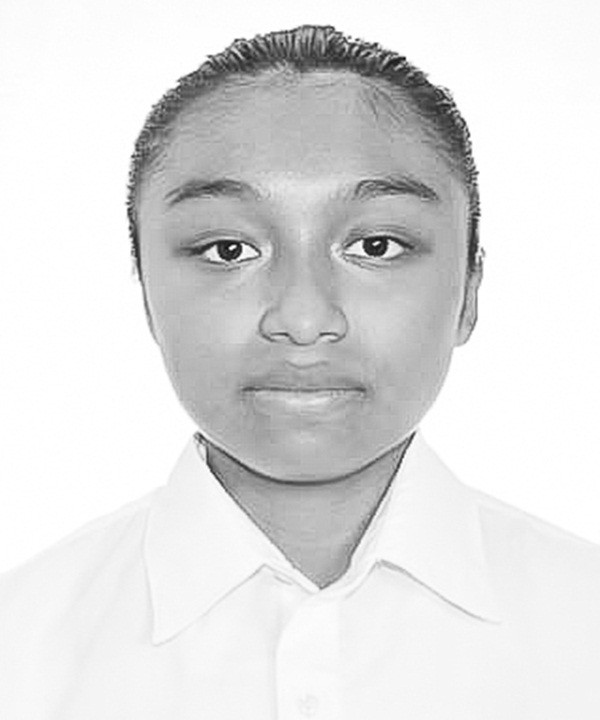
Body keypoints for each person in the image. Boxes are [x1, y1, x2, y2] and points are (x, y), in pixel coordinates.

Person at [1, 24, 599, 719]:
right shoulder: (19, 648)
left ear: (468, 292)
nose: (304, 318)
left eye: (377, 245)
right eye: (228, 249)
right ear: (146, 294)